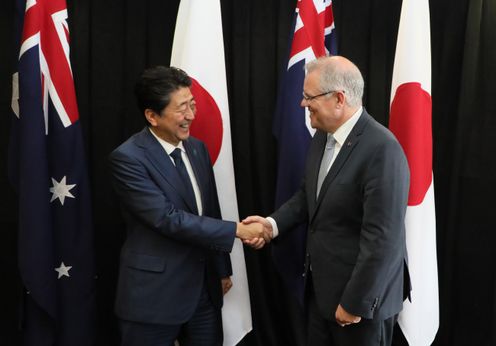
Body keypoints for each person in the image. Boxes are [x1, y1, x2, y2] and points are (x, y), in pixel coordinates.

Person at [244, 56, 411, 346]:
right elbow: (308, 197)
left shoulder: (382, 150)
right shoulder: (322, 136)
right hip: (321, 294)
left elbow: (382, 239)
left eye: (309, 97)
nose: (302, 104)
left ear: (339, 99)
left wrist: (354, 303)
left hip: (359, 305)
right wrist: (272, 225)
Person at [109, 66, 265, 346]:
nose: (191, 116)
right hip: (154, 298)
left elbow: (210, 210)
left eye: (192, 105)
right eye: (182, 108)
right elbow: (167, 218)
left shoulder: (197, 149)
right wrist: (237, 231)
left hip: (204, 293)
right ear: (152, 116)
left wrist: (221, 269)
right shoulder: (128, 159)